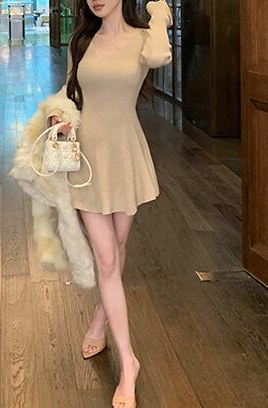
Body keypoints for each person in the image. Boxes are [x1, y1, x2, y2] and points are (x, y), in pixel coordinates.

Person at [46, 0, 173, 407]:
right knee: (106, 258)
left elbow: (159, 56)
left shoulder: (144, 39)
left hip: (125, 155)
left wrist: (159, 11)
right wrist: (58, 114)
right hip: (87, 159)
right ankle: (128, 362)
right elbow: (68, 93)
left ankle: (101, 318)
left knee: (117, 249)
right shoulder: (81, 40)